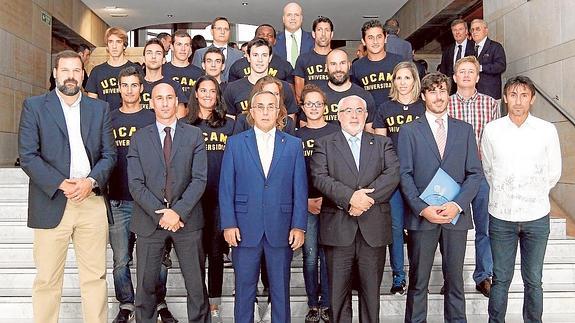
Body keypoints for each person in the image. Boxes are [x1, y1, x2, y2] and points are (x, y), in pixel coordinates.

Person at [18, 50, 117, 323]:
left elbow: (110, 155)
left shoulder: (100, 109)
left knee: (95, 277)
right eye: (65, 70)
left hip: (91, 200)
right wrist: (61, 183)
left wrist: (90, 182)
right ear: (55, 73)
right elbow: (27, 155)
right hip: (52, 201)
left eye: (76, 70)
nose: (71, 76)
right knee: (48, 279)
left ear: (83, 74)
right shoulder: (35, 106)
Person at [397, 72, 483, 322]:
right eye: (432, 91)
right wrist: (422, 208)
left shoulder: (464, 130)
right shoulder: (409, 131)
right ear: (423, 96)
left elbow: (475, 174)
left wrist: (457, 205)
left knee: (455, 281)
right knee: (418, 281)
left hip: (455, 217)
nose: (438, 96)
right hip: (422, 217)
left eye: (442, 90)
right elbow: (404, 174)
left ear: (449, 94)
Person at [219, 90, 307, 323]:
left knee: (281, 292)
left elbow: (300, 188)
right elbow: (226, 186)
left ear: (279, 111)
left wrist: (299, 225)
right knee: (244, 292)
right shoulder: (236, 143)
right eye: (261, 106)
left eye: (271, 106)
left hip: (281, 228)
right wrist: (228, 223)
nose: (266, 111)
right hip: (244, 229)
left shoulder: (293, 145)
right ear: (252, 111)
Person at [311, 94, 399, 323]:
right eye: (348, 110)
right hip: (338, 231)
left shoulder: (382, 143)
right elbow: (320, 178)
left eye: (359, 110)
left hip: (373, 231)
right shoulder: (324, 144)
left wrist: (364, 200)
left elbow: (392, 175)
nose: (354, 115)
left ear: (366, 115)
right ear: (338, 116)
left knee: (371, 297)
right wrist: (351, 198)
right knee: (338, 298)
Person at [127, 82, 210, 323]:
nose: (164, 103)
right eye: (159, 98)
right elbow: (135, 184)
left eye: (169, 97)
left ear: (177, 102)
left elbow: (199, 179)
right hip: (149, 222)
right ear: (151, 103)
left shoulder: (194, 135)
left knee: (196, 288)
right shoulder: (139, 138)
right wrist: (161, 214)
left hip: (187, 221)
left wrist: (178, 212)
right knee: (145, 289)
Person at [482, 76, 562, 323]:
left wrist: (531, 192)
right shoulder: (492, 130)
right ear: (505, 99)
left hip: (536, 216)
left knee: (533, 280)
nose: (518, 101)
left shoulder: (547, 130)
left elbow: (553, 172)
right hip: (501, 216)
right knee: (501, 278)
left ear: (532, 99)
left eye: (524, 95)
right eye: (513, 95)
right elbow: (488, 168)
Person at [448, 55, 500, 297]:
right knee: (451, 230)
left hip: (481, 174)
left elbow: (496, 142)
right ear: (455, 77)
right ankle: (452, 279)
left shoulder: (490, 104)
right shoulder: (445, 104)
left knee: (485, 228)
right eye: (462, 71)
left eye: (471, 71)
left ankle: (483, 275)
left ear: (478, 76)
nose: (467, 75)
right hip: (452, 177)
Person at [373, 61, 425, 295]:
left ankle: (417, 275)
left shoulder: (424, 108)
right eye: (398, 78)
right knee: (394, 228)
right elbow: (380, 147)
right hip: (393, 178)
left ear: (415, 81)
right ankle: (398, 277)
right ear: (392, 81)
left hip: (420, 178)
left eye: (407, 78)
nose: (402, 83)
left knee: (417, 227)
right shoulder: (384, 108)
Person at [186, 75, 235, 323]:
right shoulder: (186, 124)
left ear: (218, 95)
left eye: (212, 91)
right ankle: (199, 302)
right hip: (193, 199)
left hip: (221, 198)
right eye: (202, 90)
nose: (207, 95)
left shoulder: (230, 125)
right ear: (195, 94)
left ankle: (214, 304)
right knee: (196, 254)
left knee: (216, 253)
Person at [296, 84, 338, 323]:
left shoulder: (335, 132)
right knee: (310, 255)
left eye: (318, 103)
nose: (313, 108)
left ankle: (329, 304)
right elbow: (291, 175)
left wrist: (328, 198)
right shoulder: (296, 136)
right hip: (307, 205)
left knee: (329, 256)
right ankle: (313, 304)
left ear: (325, 107)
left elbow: (341, 171)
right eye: (308, 103)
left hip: (331, 204)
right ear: (302, 107)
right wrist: (305, 202)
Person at [223, 38, 298, 118]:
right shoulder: (233, 88)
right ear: (248, 57)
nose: (260, 60)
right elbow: (230, 122)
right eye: (255, 55)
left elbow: (290, 120)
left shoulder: (283, 87)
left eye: (264, 55)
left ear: (270, 58)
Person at [317, 49, 376, 131]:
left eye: (342, 63)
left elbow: (370, 133)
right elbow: (307, 130)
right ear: (326, 67)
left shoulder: (364, 96)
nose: (338, 69)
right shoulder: (317, 96)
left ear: (349, 65)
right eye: (333, 64)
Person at [86, 27, 142, 111]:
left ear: (124, 45)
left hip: (130, 119)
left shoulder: (135, 69)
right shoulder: (97, 71)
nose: (114, 46)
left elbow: (142, 98)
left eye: (118, 42)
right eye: (110, 42)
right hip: (104, 120)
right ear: (107, 46)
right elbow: (91, 104)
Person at [351, 20, 403, 106]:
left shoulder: (398, 62)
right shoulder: (357, 67)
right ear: (363, 41)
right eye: (370, 38)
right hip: (370, 118)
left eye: (379, 37)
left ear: (385, 38)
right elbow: (356, 97)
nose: (375, 41)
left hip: (396, 116)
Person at [228, 24, 294, 84]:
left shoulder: (285, 66)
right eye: (261, 35)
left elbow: (289, 92)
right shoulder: (238, 66)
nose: (265, 37)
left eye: (269, 35)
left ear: (275, 41)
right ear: (254, 38)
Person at [139, 38, 187, 116]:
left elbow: (180, 118)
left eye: (158, 53)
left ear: (164, 60)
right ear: (144, 58)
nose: (153, 57)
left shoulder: (174, 86)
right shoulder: (135, 85)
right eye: (149, 53)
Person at [293, 16, 333, 103]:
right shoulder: (303, 59)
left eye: (327, 30)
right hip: (310, 109)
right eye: (319, 30)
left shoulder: (338, 59)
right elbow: (299, 94)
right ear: (313, 34)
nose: (323, 34)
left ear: (331, 34)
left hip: (334, 110)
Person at [192, 17, 244, 82]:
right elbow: (195, 77)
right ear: (212, 31)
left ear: (229, 32)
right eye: (219, 29)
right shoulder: (200, 53)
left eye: (226, 29)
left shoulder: (238, 54)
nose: (223, 32)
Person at [470, 19, 506, 102]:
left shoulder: (495, 47)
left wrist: (481, 67)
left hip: (490, 94)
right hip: (472, 96)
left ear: (486, 31)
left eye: (477, 29)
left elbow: (501, 66)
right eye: (472, 30)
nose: (474, 32)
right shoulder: (470, 50)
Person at [439, 19, 476, 94]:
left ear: (466, 31)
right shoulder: (447, 50)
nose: (457, 32)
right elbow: (443, 70)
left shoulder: (475, 47)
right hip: (451, 90)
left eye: (460, 29)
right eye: (454, 30)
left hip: (470, 87)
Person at [163, 30, 204, 95]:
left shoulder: (199, 73)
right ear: (172, 47)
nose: (183, 49)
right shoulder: (162, 71)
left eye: (186, 45)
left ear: (190, 48)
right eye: (179, 44)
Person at [274, 2, 314, 67]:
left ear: (301, 18)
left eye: (296, 15)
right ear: (283, 19)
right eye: (289, 15)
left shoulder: (313, 40)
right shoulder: (274, 41)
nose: (293, 18)